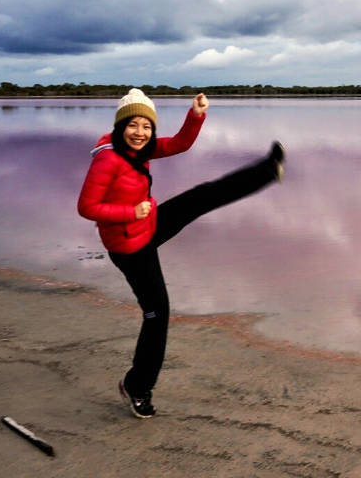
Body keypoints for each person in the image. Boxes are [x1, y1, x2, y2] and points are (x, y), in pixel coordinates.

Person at [77, 88, 284, 418]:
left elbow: (179, 144)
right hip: (130, 247)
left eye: (147, 126)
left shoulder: (139, 149)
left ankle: (268, 170)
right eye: (133, 125)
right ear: (120, 126)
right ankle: (137, 388)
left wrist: (196, 115)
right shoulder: (108, 158)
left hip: (148, 224)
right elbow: (87, 206)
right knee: (157, 316)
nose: (140, 132)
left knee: (200, 197)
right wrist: (131, 212)